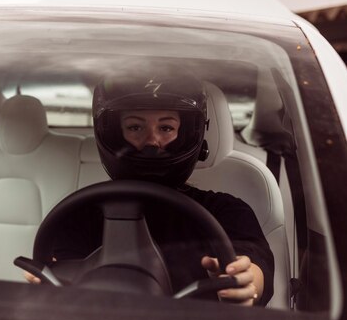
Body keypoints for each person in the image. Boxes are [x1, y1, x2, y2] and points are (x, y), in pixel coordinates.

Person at [25, 70, 274, 307]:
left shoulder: (227, 212)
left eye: (166, 128)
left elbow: (252, 267)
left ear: (187, 133)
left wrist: (245, 283)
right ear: (114, 133)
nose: (152, 142)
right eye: (135, 127)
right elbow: (62, 282)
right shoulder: (78, 214)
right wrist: (51, 283)